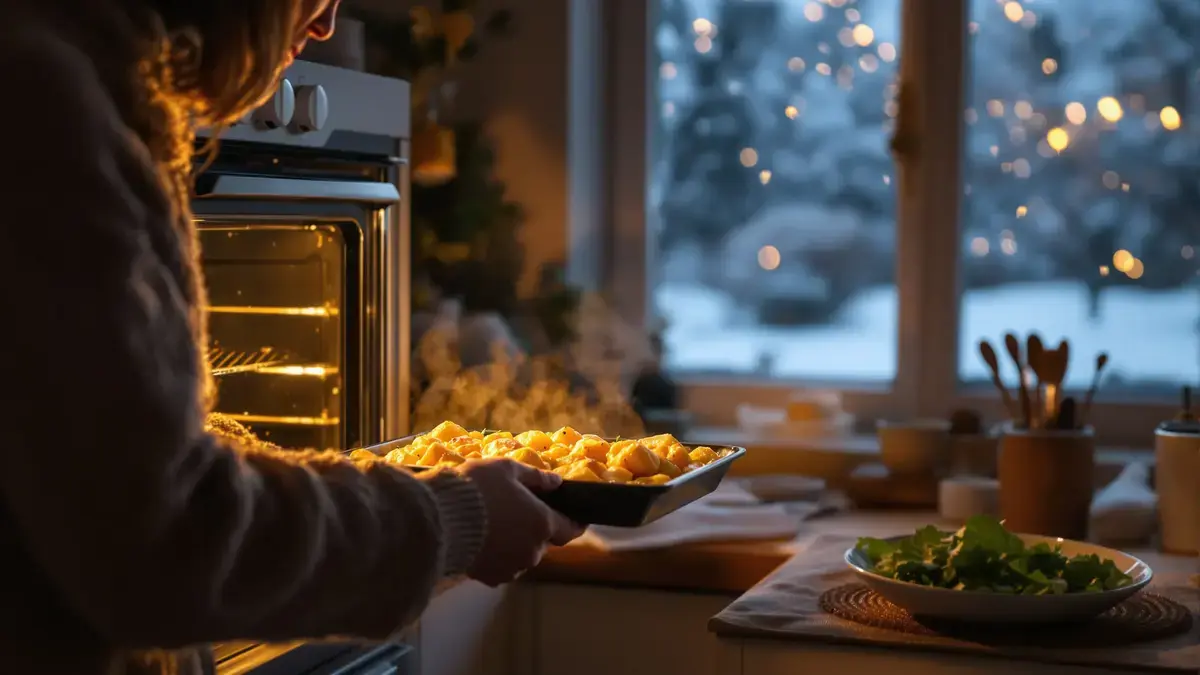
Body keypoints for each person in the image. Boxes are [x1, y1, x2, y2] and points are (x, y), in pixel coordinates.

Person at [0, 1, 584, 673]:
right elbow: (169, 540)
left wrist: (398, 486)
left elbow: (139, 458)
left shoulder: (85, 85)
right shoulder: (43, 101)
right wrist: (453, 520)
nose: (326, 26)